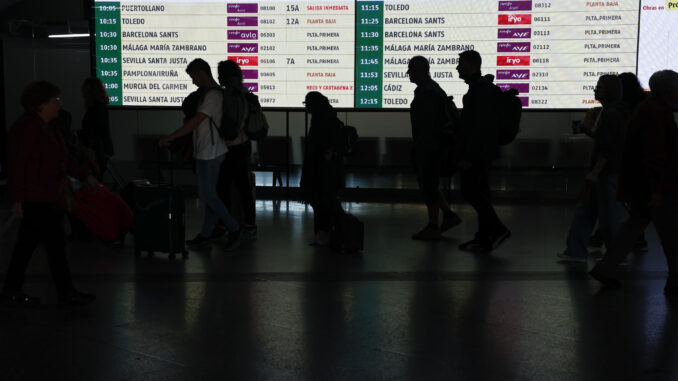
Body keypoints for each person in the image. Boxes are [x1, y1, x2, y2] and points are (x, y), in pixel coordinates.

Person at [1, 81, 99, 307]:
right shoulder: (29, 128)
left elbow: (63, 159)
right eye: (55, 99)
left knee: (27, 246)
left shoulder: (48, 127)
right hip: (38, 198)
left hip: (44, 195)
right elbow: (18, 164)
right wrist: (17, 198)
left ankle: (12, 289)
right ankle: (65, 293)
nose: (59, 104)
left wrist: (85, 175)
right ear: (41, 104)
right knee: (54, 246)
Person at [590, 70, 678, 296]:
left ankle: (606, 267)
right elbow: (655, 153)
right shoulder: (657, 113)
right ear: (668, 89)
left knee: (633, 226)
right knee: (670, 234)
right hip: (654, 185)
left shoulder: (648, 109)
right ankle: (675, 280)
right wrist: (657, 189)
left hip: (641, 183)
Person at [159, 58, 241, 251]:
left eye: (193, 77)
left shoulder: (213, 96)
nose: (193, 81)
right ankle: (206, 233)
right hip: (208, 151)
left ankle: (234, 228)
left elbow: (195, 122)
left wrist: (170, 137)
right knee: (209, 194)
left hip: (211, 153)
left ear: (201, 73)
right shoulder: (209, 94)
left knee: (207, 194)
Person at [556, 75, 628, 263]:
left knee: (607, 215)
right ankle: (575, 250)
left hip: (606, 172)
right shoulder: (613, 112)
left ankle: (615, 255)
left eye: (600, 87)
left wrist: (595, 171)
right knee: (588, 211)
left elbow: (608, 146)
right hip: (606, 172)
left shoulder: (611, 113)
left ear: (609, 91)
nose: (595, 90)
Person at [455, 50, 510, 251]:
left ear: (471, 65)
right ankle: (484, 236)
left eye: (460, 63)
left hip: (477, 154)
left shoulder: (480, 91)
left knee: (470, 191)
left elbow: (478, 128)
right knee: (480, 193)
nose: (457, 68)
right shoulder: (482, 89)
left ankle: (497, 229)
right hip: (484, 152)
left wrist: (468, 156)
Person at [407, 56, 462, 241]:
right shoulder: (429, 89)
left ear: (420, 71)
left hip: (430, 147)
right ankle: (448, 215)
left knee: (429, 184)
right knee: (429, 184)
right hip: (431, 146)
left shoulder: (428, 93)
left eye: (411, 70)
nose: (408, 74)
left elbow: (429, 126)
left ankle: (433, 226)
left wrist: (423, 149)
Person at [214, 60, 257, 240]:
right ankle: (249, 223)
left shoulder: (226, 95)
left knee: (222, 187)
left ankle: (225, 223)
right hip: (244, 145)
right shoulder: (247, 94)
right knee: (243, 187)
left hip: (229, 147)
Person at [300, 91, 344, 246]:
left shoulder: (320, 120)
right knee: (325, 201)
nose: (306, 107)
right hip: (326, 169)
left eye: (307, 104)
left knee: (320, 202)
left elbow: (317, 146)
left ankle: (323, 232)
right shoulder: (329, 118)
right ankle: (327, 232)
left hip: (321, 169)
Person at [79, 77, 114, 180]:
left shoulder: (95, 108)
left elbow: (94, 131)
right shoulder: (100, 107)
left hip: (97, 151)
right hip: (101, 150)